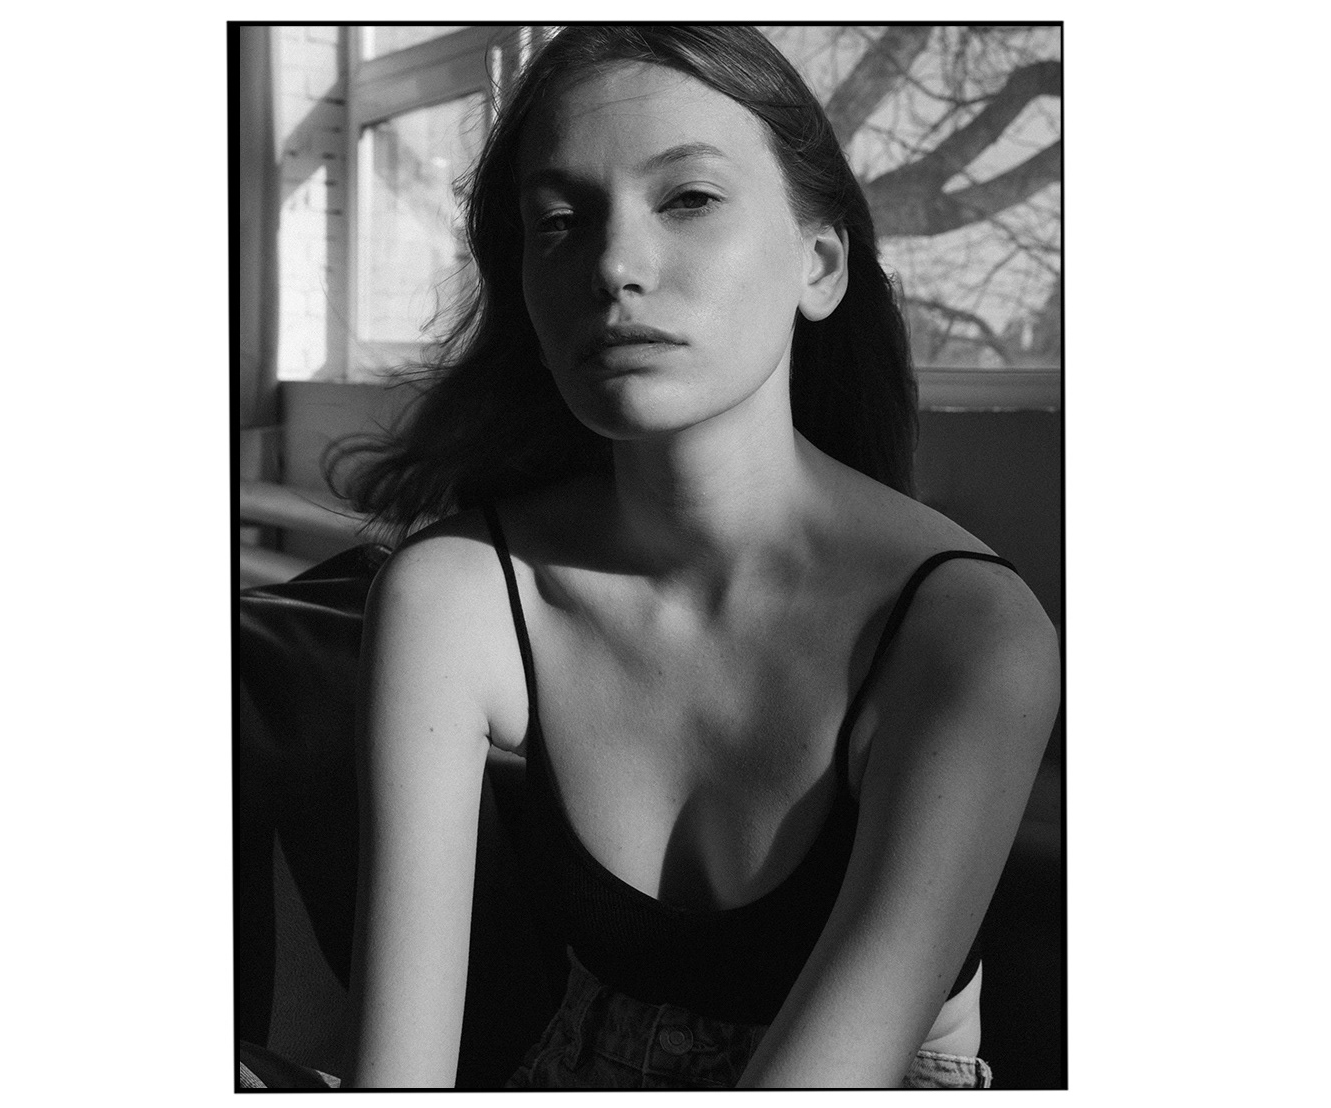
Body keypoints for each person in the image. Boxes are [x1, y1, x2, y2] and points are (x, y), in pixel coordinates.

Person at [335, 25, 1061, 1089]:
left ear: (820, 265)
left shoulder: (964, 637)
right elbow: (395, 1078)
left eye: (688, 199)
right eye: (559, 221)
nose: (613, 266)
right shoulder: (457, 597)